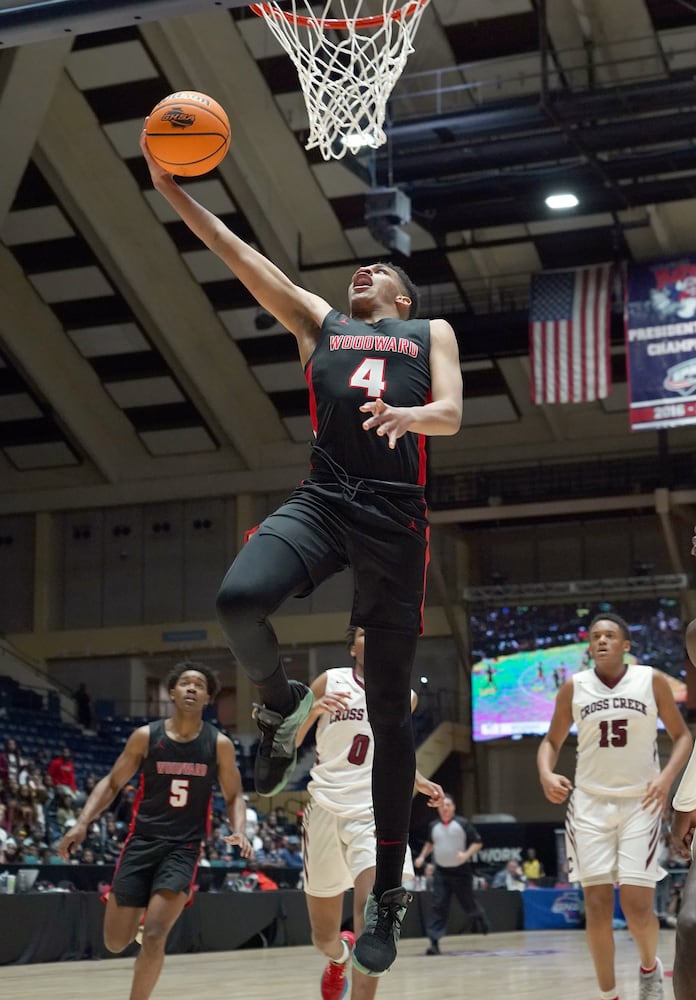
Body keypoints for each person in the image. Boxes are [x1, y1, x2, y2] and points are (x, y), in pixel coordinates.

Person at [140, 126, 463, 978]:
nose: (364, 272)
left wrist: (411, 418)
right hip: (326, 497)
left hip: (397, 516)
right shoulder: (320, 323)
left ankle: (387, 894)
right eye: (359, 269)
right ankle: (278, 704)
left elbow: (455, 414)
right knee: (239, 600)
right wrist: (174, 191)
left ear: (402, 294)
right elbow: (245, 257)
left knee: (390, 712)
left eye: (379, 271)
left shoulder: (429, 332)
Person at [57, 660, 252, 1000]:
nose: (192, 688)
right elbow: (113, 782)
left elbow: (234, 794)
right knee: (115, 942)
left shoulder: (218, 744)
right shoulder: (146, 736)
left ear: (208, 698)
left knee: (155, 935)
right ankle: (139, 906)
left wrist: (240, 829)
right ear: (173, 692)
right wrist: (81, 823)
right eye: (185, 683)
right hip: (142, 841)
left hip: (184, 847)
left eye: (199, 685)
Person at [537, 611, 692, 1000]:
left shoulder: (650, 680)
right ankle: (609, 994)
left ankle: (648, 967)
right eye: (594, 636)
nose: (601, 641)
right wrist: (545, 773)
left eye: (609, 635)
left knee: (638, 907)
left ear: (626, 645)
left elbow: (683, 737)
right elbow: (551, 741)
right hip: (589, 803)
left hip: (642, 800)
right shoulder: (574, 686)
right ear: (589, 646)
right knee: (597, 905)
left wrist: (665, 779)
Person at [294, 624, 444, 999]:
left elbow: (396, 750)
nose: (374, 637)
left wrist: (418, 779)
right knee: (323, 937)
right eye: (364, 633)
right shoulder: (330, 681)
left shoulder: (402, 695)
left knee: (373, 919)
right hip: (325, 808)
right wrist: (306, 713)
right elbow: (287, 742)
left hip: (374, 810)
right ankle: (338, 957)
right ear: (352, 648)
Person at [414, 794, 489, 955]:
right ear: (438, 808)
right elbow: (430, 843)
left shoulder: (462, 824)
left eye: (448, 805)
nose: (445, 808)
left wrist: (466, 855)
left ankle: (479, 916)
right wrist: (421, 856)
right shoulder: (433, 826)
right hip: (441, 872)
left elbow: (477, 842)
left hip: (461, 871)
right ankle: (434, 942)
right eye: (442, 805)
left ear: (453, 807)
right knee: (438, 905)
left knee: (468, 902)